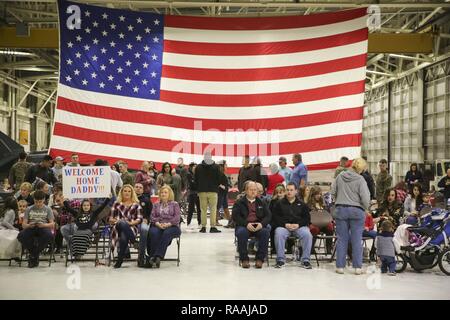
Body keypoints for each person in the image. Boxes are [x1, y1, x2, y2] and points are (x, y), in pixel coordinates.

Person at [331, 158, 370, 275]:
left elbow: (332, 192)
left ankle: (340, 267)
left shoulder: (340, 176)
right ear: (361, 168)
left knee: (342, 239)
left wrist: (338, 199)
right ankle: (357, 267)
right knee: (356, 240)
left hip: (341, 210)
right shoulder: (361, 179)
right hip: (357, 211)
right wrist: (365, 207)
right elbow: (365, 198)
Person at [271, 182, 313, 269]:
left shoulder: (302, 204)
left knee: (307, 234)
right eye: (287, 190)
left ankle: (305, 260)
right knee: (279, 233)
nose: (289, 192)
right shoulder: (279, 204)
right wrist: (285, 224)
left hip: (299, 227)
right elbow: (275, 217)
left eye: (291, 190)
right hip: (284, 227)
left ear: (296, 191)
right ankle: (280, 260)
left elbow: (307, 219)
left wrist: (298, 224)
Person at [232, 181, 271, 269]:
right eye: (251, 190)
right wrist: (246, 224)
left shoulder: (261, 202)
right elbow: (235, 216)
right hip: (244, 226)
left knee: (265, 232)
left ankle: (260, 259)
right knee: (242, 233)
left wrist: (261, 224)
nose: (253, 192)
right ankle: (244, 259)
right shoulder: (239, 202)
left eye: (255, 190)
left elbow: (268, 216)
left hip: (258, 225)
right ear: (246, 190)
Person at [17, 190, 55, 268]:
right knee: (21, 236)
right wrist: (29, 225)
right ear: (33, 199)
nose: (38, 204)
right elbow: (24, 225)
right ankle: (35, 255)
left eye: (40, 202)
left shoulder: (48, 209)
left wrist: (44, 225)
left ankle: (33, 255)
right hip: (32, 227)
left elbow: (52, 224)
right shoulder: (29, 209)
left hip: (43, 227)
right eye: (36, 201)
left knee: (49, 235)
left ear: (44, 200)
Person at [146, 185, 181, 268]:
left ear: (169, 194)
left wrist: (168, 224)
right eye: (162, 192)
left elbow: (177, 218)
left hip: (172, 226)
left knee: (166, 233)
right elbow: (152, 216)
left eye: (165, 192)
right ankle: (154, 258)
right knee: (153, 233)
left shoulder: (175, 204)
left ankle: (156, 257)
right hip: (158, 225)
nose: (163, 194)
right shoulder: (156, 204)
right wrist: (158, 223)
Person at [108, 185, 143, 268]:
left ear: (132, 193)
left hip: (131, 227)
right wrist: (118, 221)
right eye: (125, 191)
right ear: (121, 192)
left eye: (129, 191)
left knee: (124, 236)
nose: (127, 193)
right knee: (121, 222)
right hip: (117, 227)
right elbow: (110, 219)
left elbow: (139, 219)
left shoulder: (136, 205)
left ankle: (119, 260)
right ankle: (134, 242)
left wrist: (130, 223)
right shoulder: (116, 204)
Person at [195, 152, 221, 233]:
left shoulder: (198, 167)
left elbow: (196, 179)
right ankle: (213, 227)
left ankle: (203, 227)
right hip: (213, 191)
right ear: (211, 157)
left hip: (202, 191)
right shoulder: (216, 167)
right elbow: (219, 178)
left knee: (203, 209)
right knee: (213, 209)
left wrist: (198, 188)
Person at [307, 186, 334, 255]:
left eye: (319, 194)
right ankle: (311, 248)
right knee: (313, 228)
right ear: (313, 194)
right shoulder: (308, 205)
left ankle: (328, 248)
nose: (318, 196)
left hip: (323, 222)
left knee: (330, 226)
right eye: (317, 194)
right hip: (314, 223)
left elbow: (328, 214)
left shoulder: (323, 204)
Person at [134, 182, 153, 267]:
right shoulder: (129, 198)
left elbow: (151, 213)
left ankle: (141, 256)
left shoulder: (146, 200)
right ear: (133, 188)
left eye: (140, 187)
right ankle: (125, 252)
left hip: (142, 221)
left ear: (143, 190)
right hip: (131, 222)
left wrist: (147, 219)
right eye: (136, 187)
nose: (138, 188)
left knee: (144, 229)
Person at [217, 160, 232, 227]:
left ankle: (230, 221)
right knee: (218, 207)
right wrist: (224, 187)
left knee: (225, 207)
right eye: (226, 165)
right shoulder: (219, 173)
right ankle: (215, 221)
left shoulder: (222, 173)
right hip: (220, 193)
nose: (227, 166)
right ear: (222, 165)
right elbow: (218, 183)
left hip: (224, 193)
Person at [186, 163, 201, 227]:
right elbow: (192, 185)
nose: (195, 167)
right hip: (192, 193)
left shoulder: (199, 175)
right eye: (194, 166)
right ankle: (188, 222)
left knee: (199, 209)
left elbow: (200, 184)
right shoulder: (189, 174)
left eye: (196, 166)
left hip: (199, 193)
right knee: (191, 209)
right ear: (191, 168)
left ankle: (200, 223)